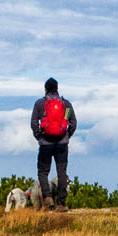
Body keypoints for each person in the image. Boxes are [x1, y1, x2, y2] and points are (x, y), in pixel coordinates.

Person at [30, 77, 78, 211]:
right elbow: (73, 123)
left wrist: (39, 136)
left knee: (43, 172)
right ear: (57, 88)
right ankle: (61, 204)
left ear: (45, 89)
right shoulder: (66, 105)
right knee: (62, 172)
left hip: (45, 143)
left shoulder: (40, 104)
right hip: (62, 144)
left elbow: (34, 123)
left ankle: (47, 198)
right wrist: (67, 136)